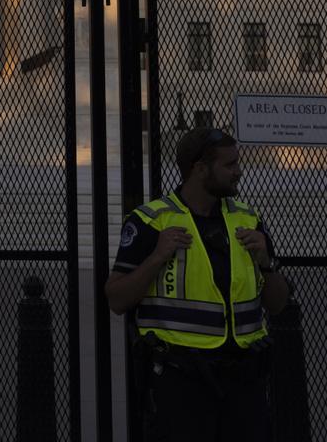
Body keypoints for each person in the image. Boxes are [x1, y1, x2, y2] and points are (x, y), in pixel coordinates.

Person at [105, 127, 290, 441]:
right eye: (229, 165)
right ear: (199, 168)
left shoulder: (248, 219)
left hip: (244, 385)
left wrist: (266, 263)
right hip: (182, 384)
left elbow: (279, 303)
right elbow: (116, 299)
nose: (239, 172)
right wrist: (155, 258)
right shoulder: (151, 221)